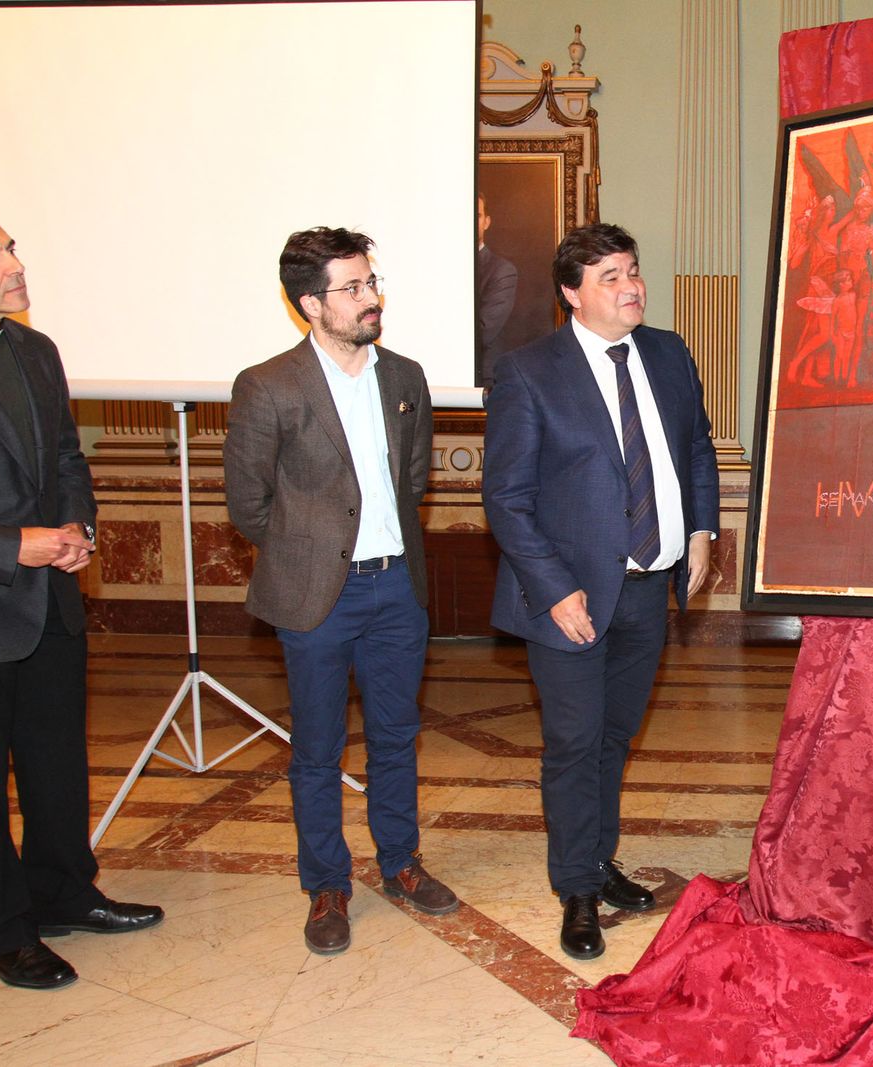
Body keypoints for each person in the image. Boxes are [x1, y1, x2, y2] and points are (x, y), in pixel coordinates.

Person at [483, 222, 720, 961]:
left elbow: (696, 447)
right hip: (571, 599)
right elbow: (507, 499)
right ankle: (576, 890)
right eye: (611, 276)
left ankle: (597, 857)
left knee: (615, 738)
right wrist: (555, 590)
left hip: (650, 587)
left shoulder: (670, 352)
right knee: (574, 742)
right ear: (571, 294)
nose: (631, 286)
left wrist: (705, 532)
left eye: (634, 270)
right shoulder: (529, 371)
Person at [224, 227, 458, 957]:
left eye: (371, 283)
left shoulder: (405, 378)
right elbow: (246, 503)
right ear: (310, 305)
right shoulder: (267, 385)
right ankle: (327, 884)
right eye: (353, 288)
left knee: (395, 736)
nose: (371, 299)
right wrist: (310, 552)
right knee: (317, 749)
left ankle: (401, 863)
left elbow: (412, 480)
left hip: (396, 590)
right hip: (315, 597)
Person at [0, 204, 163, 990]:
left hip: (51, 594)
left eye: (10, 248)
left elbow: (65, 453)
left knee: (57, 760)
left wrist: (76, 526)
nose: (15, 265)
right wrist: (8, 546)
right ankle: (2, 926)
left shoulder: (35, 349)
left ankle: (63, 889)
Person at [476, 194, 519, 390]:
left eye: (476, 215)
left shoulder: (501, 270)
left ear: (486, 222)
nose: (469, 221)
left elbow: (483, 331)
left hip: (482, 382)